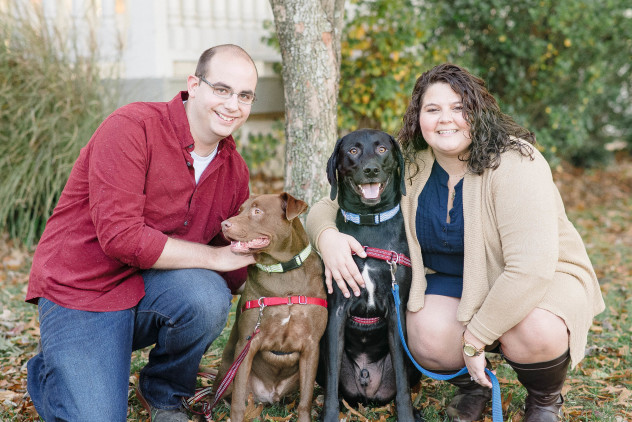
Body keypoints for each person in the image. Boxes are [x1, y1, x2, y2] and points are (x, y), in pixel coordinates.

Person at [306, 63, 605, 422]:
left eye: (459, 107)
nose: (446, 119)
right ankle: (473, 387)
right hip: (461, 281)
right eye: (433, 110)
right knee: (424, 331)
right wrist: (327, 238)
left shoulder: (515, 163)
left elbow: (530, 271)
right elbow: (327, 206)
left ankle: (543, 400)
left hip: (538, 281)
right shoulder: (412, 163)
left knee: (532, 329)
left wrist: (474, 339)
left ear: (478, 112)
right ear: (419, 118)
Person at [26, 44, 259, 422]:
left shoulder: (234, 170)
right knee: (97, 416)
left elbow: (230, 273)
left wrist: (264, 261)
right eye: (222, 90)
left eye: (244, 96)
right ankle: (56, 366)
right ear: (194, 85)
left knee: (208, 296)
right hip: (83, 291)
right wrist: (215, 257)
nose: (233, 104)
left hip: (152, 289)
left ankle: (165, 396)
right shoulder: (132, 127)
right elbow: (121, 237)